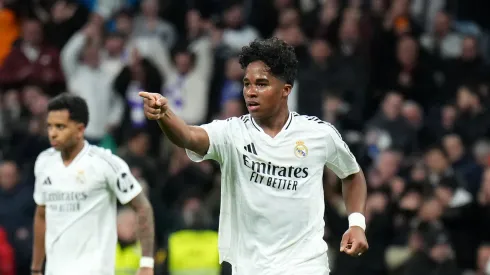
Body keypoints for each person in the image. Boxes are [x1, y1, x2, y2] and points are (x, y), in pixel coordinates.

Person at [139, 37, 369, 275]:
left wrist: (356, 224)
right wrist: (164, 115)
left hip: (306, 264)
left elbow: (352, 174)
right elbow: (187, 136)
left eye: (261, 84)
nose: (250, 92)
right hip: (250, 267)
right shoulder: (231, 133)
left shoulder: (318, 134)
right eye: (247, 84)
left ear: (285, 90)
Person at [30, 94, 155, 275]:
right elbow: (41, 215)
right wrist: (36, 267)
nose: (52, 133)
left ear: (80, 130)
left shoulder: (106, 163)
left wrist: (146, 263)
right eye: (49, 126)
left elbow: (143, 207)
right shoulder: (44, 162)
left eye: (60, 127)